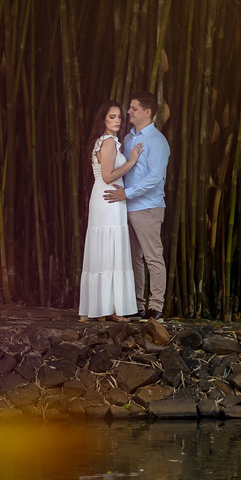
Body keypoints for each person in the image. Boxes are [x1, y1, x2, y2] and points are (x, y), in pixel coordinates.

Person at [105, 92, 171, 321]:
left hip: (147, 207)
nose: (129, 112)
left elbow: (155, 177)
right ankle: (137, 304)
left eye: (134, 108)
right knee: (133, 258)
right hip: (126, 205)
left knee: (153, 256)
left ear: (147, 112)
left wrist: (127, 193)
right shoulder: (129, 138)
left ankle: (156, 305)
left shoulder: (157, 141)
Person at [79, 100, 143, 322]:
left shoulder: (104, 141)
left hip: (104, 197)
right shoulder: (108, 143)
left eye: (119, 117)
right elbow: (107, 176)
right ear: (103, 119)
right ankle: (110, 309)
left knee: (104, 249)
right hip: (109, 198)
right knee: (110, 249)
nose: (117, 121)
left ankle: (99, 308)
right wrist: (131, 162)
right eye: (112, 117)